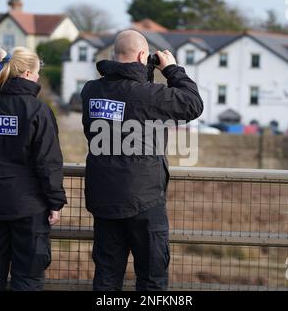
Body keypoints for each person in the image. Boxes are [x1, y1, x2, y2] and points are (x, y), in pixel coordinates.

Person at [81, 29, 204, 291]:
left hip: (104, 198)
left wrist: (144, 73)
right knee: (152, 278)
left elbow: (123, 99)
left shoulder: (91, 91)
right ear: (142, 55)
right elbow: (193, 104)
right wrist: (171, 70)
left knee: (106, 277)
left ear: (115, 55)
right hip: (144, 199)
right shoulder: (150, 95)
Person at [0, 46, 67, 291]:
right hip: (28, 210)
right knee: (27, 278)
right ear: (28, 73)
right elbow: (48, 162)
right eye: (37, 72)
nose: (39, 77)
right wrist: (55, 202)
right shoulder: (38, 111)